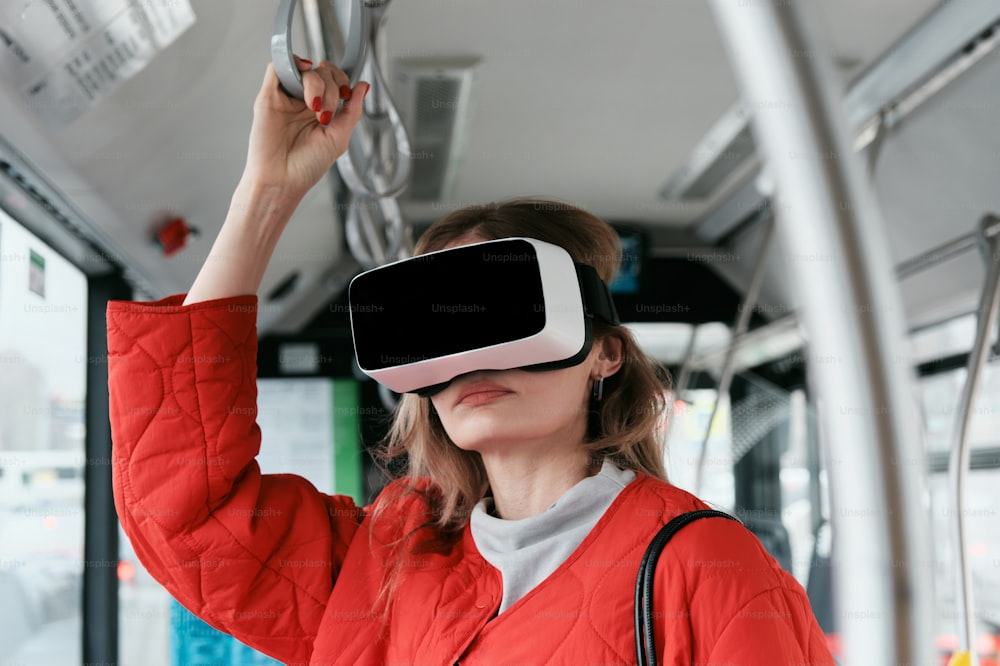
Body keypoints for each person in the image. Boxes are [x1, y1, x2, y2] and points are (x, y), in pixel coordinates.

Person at [106, 58, 836, 666]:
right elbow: (186, 509)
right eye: (439, 330)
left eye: (503, 315)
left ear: (604, 353)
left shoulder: (708, 570)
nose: (469, 357)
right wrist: (266, 192)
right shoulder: (389, 563)